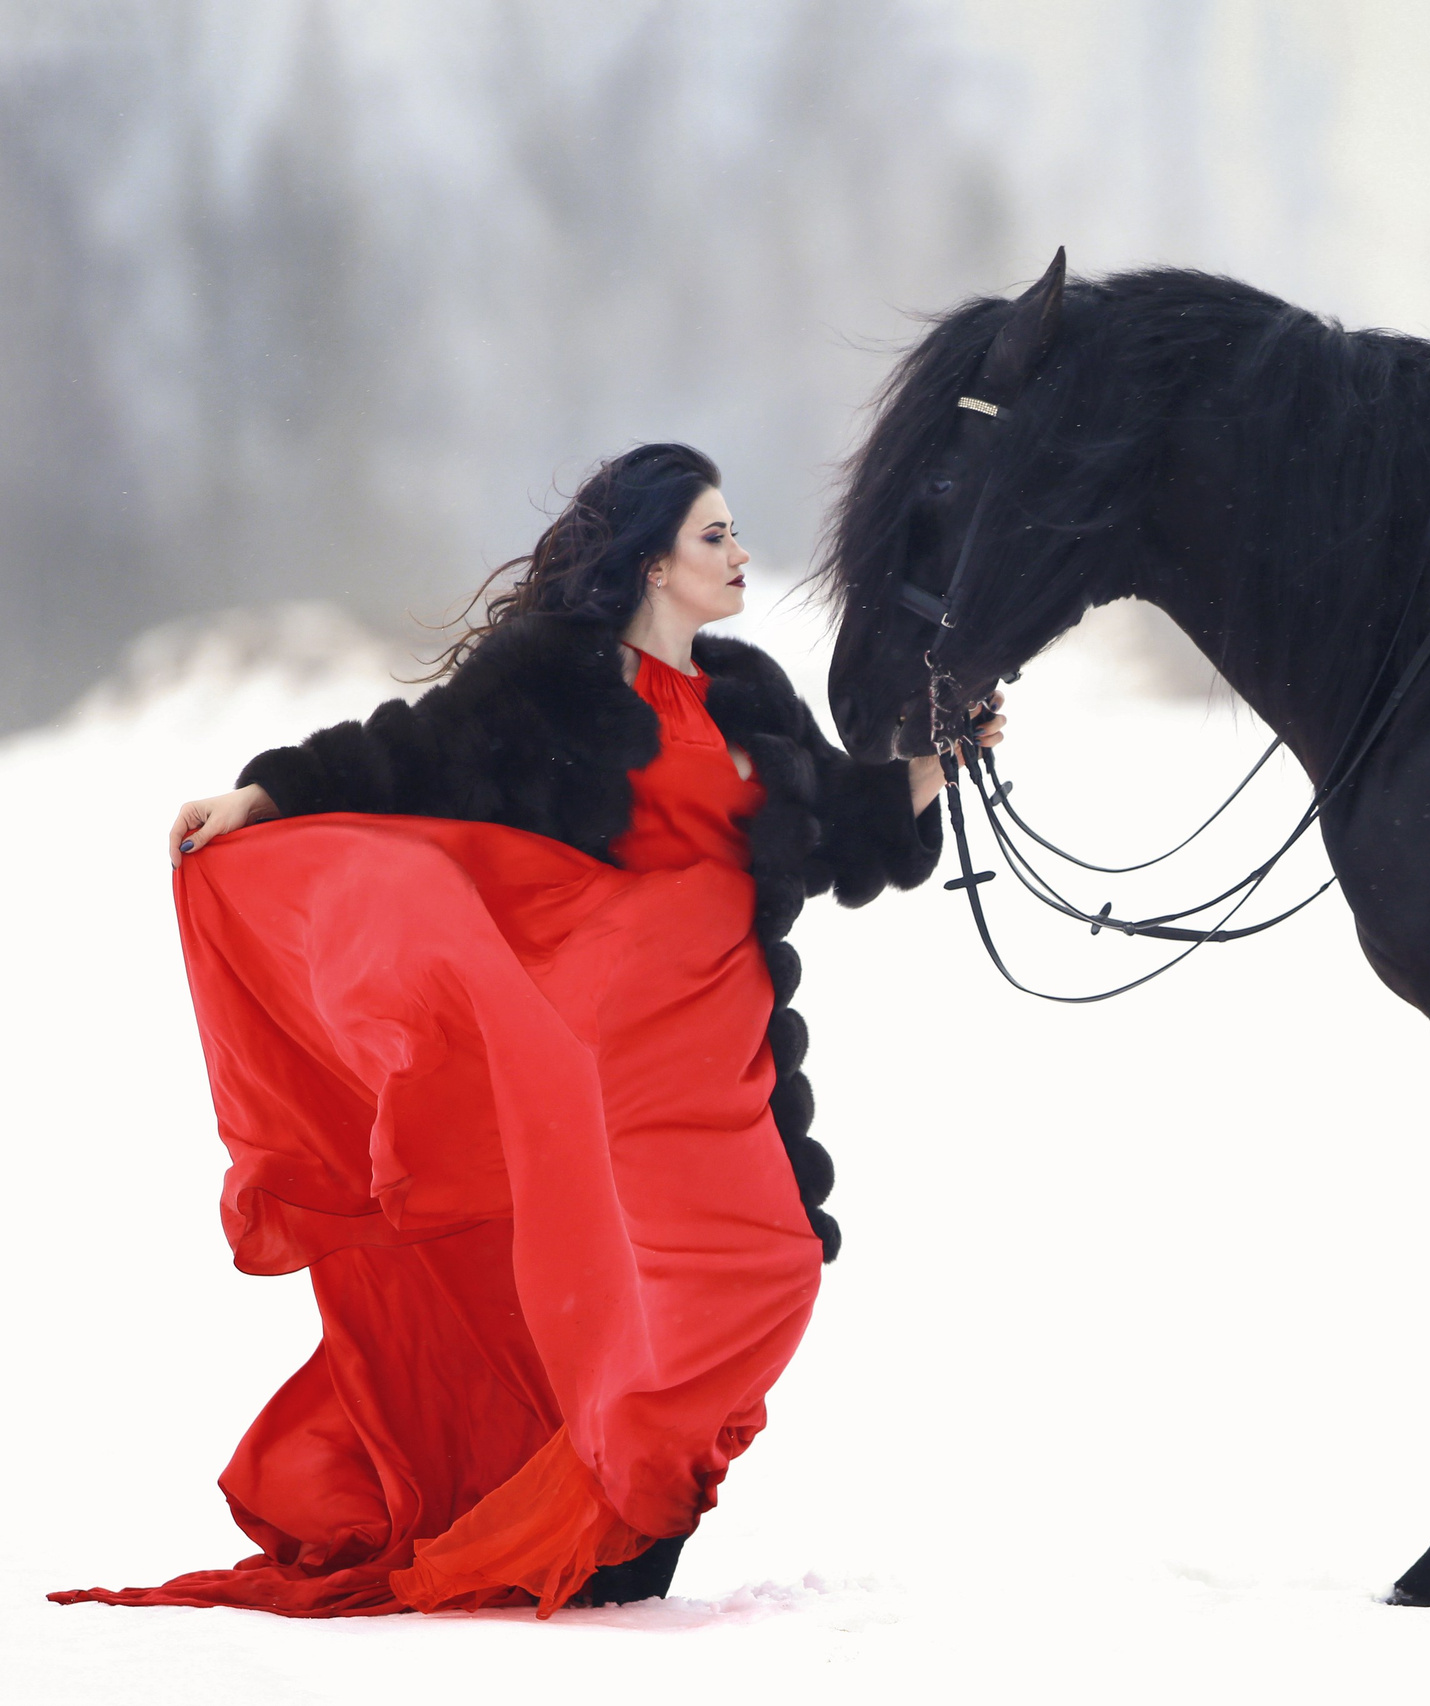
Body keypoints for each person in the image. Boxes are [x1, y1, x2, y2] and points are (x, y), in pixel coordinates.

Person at [52, 443, 993, 1618]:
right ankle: (611, 1528)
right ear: (653, 561)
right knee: (630, 1296)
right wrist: (268, 795)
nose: (742, 552)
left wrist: (937, 761)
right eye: (715, 535)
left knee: (773, 1271)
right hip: (604, 1059)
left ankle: (606, 1508)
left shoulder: (747, 692)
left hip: (725, 1059)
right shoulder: (545, 681)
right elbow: (408, 755)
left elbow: (843, 829)